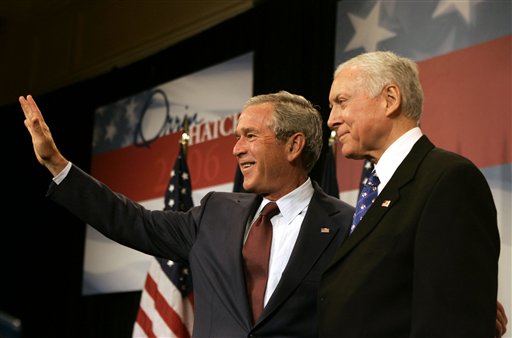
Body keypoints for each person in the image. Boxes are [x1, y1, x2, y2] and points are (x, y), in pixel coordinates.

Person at [19, 91, 355, 337]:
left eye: (250, 136)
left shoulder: (345, 225)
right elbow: (132, 221)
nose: (237, 149)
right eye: (237, 137)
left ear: (294, 145)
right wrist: (57, 164)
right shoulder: (215, 213)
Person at [319, 50, 502, 337]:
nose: (331, 120)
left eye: (341, 102)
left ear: (390, 99)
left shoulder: (449, 180)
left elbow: (452, 322)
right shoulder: (378, 188)